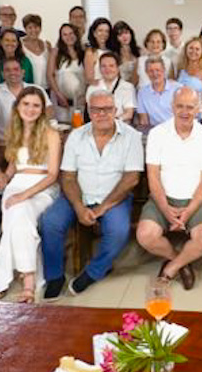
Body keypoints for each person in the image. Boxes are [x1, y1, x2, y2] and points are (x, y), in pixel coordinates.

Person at [40, 90, 143, 300]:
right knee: (50, 222)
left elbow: (132, 178)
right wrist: (79, 207)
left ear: (115, 110)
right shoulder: (76, 136)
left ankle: (94, 272)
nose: (102, 114)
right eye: (96, 109)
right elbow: (68, 177)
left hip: (114, 197)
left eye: (107, 109)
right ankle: (55, 276)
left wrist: (102, 208)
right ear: (88, 110)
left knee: (118, 231)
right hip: (78, 194)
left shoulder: (131, 136)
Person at [136, 87, 202, 290]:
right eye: (180, 106)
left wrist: (188, 211)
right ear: (172, 107)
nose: (185, 112)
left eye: (190, 107)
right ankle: (181, 261)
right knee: (145, 235)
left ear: (198, 109)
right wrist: (165, 209)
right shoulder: (157, 134)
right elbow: (153, 177)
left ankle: (171, 268)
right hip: (163, 197)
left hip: (196, 199)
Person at [0, 86, 61, 303]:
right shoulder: (14, 131)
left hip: (43, 186)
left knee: (18, 213)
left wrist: (25, 195)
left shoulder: (51, 134)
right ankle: (29, 280)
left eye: (36, 105)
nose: (30, 109)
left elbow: (53, 175)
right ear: (17, 106)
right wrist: (5, 178)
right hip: (17, 184)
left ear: (42, 109)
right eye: (26, 104)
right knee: (19, 216)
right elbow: (13, 165)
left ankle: (4, 280)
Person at [0, 58, 52, 151]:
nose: (12, 73)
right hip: (4, 145)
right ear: (2, 74)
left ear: (23, 72)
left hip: (33, 142)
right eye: (7, 70)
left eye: (16, 69)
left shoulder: (36, 89)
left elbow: (49, 109)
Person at [47, 23, 86, 123]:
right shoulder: (56, 52)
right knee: (63, 127)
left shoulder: (83, 52)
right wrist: (58, 95)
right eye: (65, 34)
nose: (69, 37)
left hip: (80, 100)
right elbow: (50, 75)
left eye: (71, 33)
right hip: (62, 100)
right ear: (61, 37)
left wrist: (85, 95)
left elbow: (87, 76)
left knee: (79, 126)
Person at [86, 52, 136, 123]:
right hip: (98, 125)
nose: (107, 69)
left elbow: (129, 114)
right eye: (103, 66)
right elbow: (90, 112)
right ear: (99, 68)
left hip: (120, 125)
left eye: (111, 66)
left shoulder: (127, 87)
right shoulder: (92, 88)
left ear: (118, 68)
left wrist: (111, 122)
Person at [175, 37, 202, 125]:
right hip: (180, 112)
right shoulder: (180, 67)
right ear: (186, 49)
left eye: (197, 49)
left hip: (198, 113)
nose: (193, 51)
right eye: (191, 48)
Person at [137, 57, 182, 127]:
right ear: (146, 72)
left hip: (177, 128)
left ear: (164, 70)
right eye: (151, 71)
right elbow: (144, 120)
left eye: (158, 70)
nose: (155, 74)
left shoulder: (178, 89)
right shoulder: (142, 93)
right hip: (155, 130)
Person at [21, 14, 51, 90]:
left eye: (36, 27)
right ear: (25, 29)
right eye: (30, 27)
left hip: (46, 88)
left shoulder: (47, 44)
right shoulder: (19, 44)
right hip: (27, 88)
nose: (33, 30)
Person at [84, 17, 112, 86]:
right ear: (94, 33)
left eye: (106, 31)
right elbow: (89, 78)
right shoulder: (90, 52)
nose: (103, 34)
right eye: (100, 31)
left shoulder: (112, 51)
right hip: (98, 87)